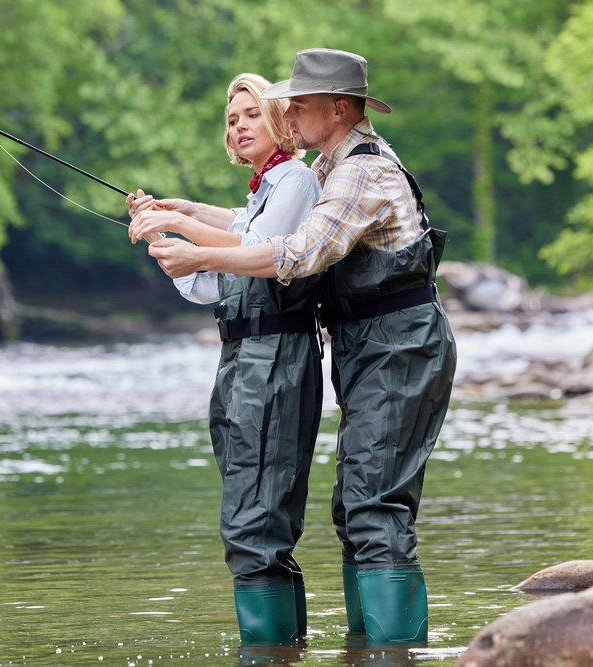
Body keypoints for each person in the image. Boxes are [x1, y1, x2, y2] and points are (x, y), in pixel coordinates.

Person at [145, 48, 458, 645]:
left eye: (301, 102)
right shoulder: (328, 165)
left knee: (374, 505)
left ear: (338, 108)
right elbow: (256, 221)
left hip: (401, 346)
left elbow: (298, 252)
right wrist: (184, 212)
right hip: (371, 346)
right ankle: (368, 652)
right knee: (356, 506)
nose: (288, 109)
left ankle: (394, 655)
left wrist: (196, 253)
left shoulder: (360, 172)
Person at [126, 73, 323, 645]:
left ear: (281, 120)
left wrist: (181, 226)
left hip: (273, 359)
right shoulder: (266, 189)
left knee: (254, 517)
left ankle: (268, 654)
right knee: (253, 506)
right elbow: (219, 271)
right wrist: (177, 234)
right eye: (231, 119)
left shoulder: (294, 182)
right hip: (244, 359)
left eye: (251, 115)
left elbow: (263, 246)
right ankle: (284, 651)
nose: (238, 126)